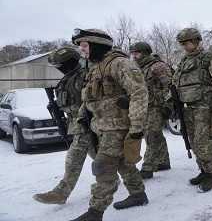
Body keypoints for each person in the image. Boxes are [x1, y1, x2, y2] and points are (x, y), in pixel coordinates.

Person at [70, 28, 148, 221]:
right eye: (80, 46)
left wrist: (137, 127)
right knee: (123, 163)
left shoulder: (120, 63)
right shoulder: (96, 67)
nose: (82, 50)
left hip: (118, 127)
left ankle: (95, 212)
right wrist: (82, 118)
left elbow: (139, 93)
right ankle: (138, 195)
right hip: (102, 126)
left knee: (104, 166)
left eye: (85, 45)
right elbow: (89, 99)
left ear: (97, 45)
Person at [33, 46, 97, 205]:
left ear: (69, 62)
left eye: (60, 66)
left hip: (87, 123)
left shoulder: (85, 76)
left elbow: (91, 101)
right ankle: (117, 177)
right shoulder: (68, 78)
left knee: (74, 157)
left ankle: (61, 192)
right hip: (76, 124)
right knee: (99, 155)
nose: (59, 69)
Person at [173, 28, 212, 192]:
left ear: (197, 41)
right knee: (193, 142)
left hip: (205, 107)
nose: (185, 46)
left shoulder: (208, 58)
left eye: (187, 43)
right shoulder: (184, 60)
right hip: (188, 108)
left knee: (204, 142)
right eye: (183, 43)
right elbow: (175, 82)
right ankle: (203, 171)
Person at [129, 42, 172, 180]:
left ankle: (148, 167)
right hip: (144, 106)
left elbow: (169, 86)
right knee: (156, 134)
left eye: (137, 52)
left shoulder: (157, 66)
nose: (134, 56)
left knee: (151, 135)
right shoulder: (137, 68)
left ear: (145, 52)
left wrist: (168, 105)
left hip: (156, 106)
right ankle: (163, 161)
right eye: (133, 53)